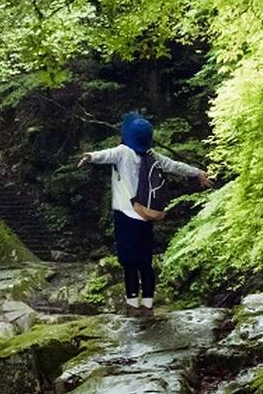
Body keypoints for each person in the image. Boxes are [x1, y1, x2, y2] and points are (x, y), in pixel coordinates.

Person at [77, 113, 212, 314]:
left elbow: (107, 155)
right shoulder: (152, 156)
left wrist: (90, 157)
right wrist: (198, 172)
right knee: (145, 262)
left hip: (125, 215)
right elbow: (175, 166)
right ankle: (148, 304)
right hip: (147, 215)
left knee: (128, 262)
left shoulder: (123, 152)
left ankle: (132, 304)